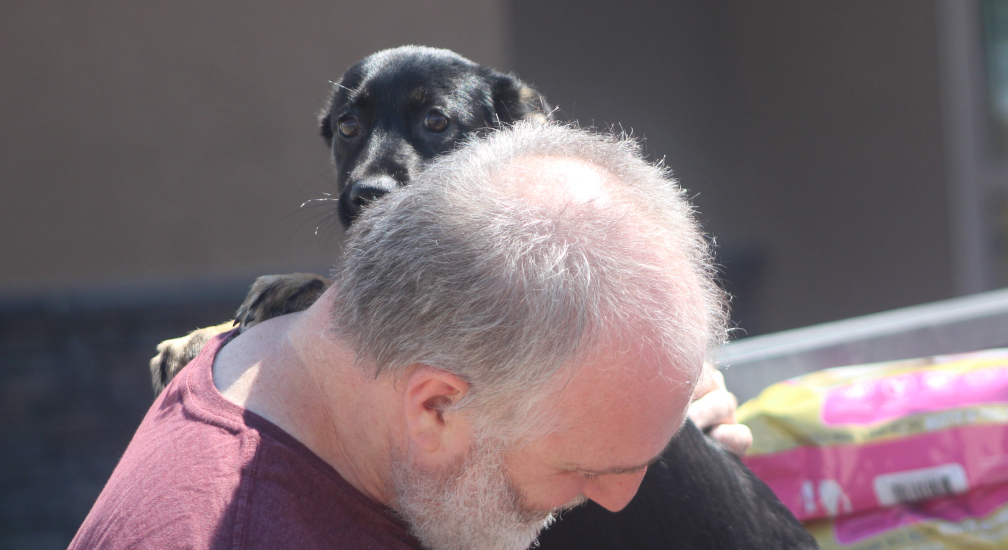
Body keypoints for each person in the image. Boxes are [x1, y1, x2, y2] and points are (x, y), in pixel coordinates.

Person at [70, 121, 735, 549]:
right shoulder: (231, 531)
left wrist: (652, 441)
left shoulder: (318, 377)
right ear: (435, 406)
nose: (620, 502)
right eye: (584, 469)